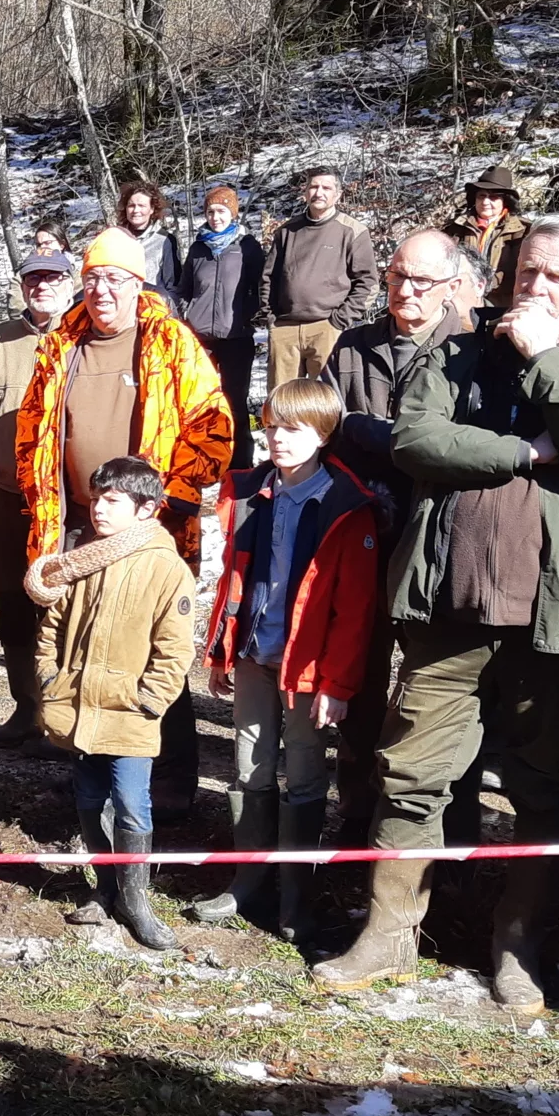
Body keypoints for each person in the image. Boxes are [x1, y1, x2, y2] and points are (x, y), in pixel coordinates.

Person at [313, 214, 559, 1012]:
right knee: (411, 771)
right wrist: (525, 453)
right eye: (527, 271)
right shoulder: (458, 351)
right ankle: (389, 930)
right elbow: (415, 442)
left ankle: (519, 942)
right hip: (448, 605)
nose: (534, 287)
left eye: (556, 278)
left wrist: (545, 362)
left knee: (547, 783)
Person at [198, 381, 381, 936]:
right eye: (272, 425)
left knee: (303, 774)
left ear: (322, 435)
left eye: (293, 429)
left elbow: (355, 610)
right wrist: (220, 651)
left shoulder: (347, 506)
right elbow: (234, 577)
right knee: (250, 767)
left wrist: (339, 685)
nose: (277, 438)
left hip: (309, 670)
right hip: (254, 654)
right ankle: (246, 881)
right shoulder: (251, 490)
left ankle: (296, 896)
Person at [320, 227, 466, 844]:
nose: (405, 290)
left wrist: (369, 431)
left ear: (453, 288)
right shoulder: (353, 348)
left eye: (421, 281)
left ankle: (438, 820)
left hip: (445, 542)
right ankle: (355, 807)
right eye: (397, 276)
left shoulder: (473, 350)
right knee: (361, 668)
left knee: (438, 686)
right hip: (367, 533)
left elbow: (459, 450)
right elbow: (321, 430)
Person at [28, 455, 197, 951]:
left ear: (146, 509)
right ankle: (104, 889)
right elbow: (51, 630)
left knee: (131, 804)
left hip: (130, 714)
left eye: (112, 501)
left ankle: (135, 900)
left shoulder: (167, 568)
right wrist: (49, 678)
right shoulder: (82, 558)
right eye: (96, 497)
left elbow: (175, 649)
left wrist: (148, 700)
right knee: (87, 797)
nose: (98, 508)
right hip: (77, 709)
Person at [15, 228, 234, 571]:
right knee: (67, 623)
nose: (101, 290)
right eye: (92, 279)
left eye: (114, 278)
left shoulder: (170, 342)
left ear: (137, 284)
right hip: (73, 526)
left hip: (150, 525)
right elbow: (30, 428)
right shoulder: (60, 348)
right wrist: (36, 490)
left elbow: (211, 427)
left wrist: (170, 496)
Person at [0, 250, 74, 750]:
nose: (42, 286)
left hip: (68, 497)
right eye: (34, 279)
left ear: (70, 283)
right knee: (10, 595)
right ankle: (26, 707)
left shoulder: (83, 335)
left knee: (64, 602)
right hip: (7, 491)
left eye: (52, 278)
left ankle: (66, 715)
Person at [261, 166, 379, 382]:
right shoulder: (287, 231)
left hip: (327, 328)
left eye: (326, 187)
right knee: (282, 402)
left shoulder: (352, 231)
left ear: (338, 194)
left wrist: (339, 320)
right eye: (313, 187)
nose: (319, 192)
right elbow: (268, 278)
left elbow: (368, 283)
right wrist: (272, 319)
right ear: (305, 192)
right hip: (285, 329)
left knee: (327, 400)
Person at [177, 185, 264, 470]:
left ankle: (241, 465)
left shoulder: (247, 247)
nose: (215, 217)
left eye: (222, 211)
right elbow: (184, 289)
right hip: (200, 338)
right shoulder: (198, 248)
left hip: (236, 337)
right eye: (210, 211)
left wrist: (247, 314)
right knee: (198, 401)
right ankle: (200, 461)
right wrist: (183, 317)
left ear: (233, 213)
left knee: (235, 402)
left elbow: (260, 287)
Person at [446, 162, 528, 310]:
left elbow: (525, 269)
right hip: (464, 303)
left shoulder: (523, 231)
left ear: (505, 201)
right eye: (481, 196)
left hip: (504, 305)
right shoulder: (456, 228)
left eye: (493, 197)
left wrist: (493, 282)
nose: (485, 202)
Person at [117, 180, 184, 312]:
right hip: (120, 311)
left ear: (152, 209)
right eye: (131, 205)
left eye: (141, 205)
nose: (136, 210)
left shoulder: (164, 241)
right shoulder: (115, 238)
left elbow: (174, 286)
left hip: (151, 312)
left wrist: (170, 315)